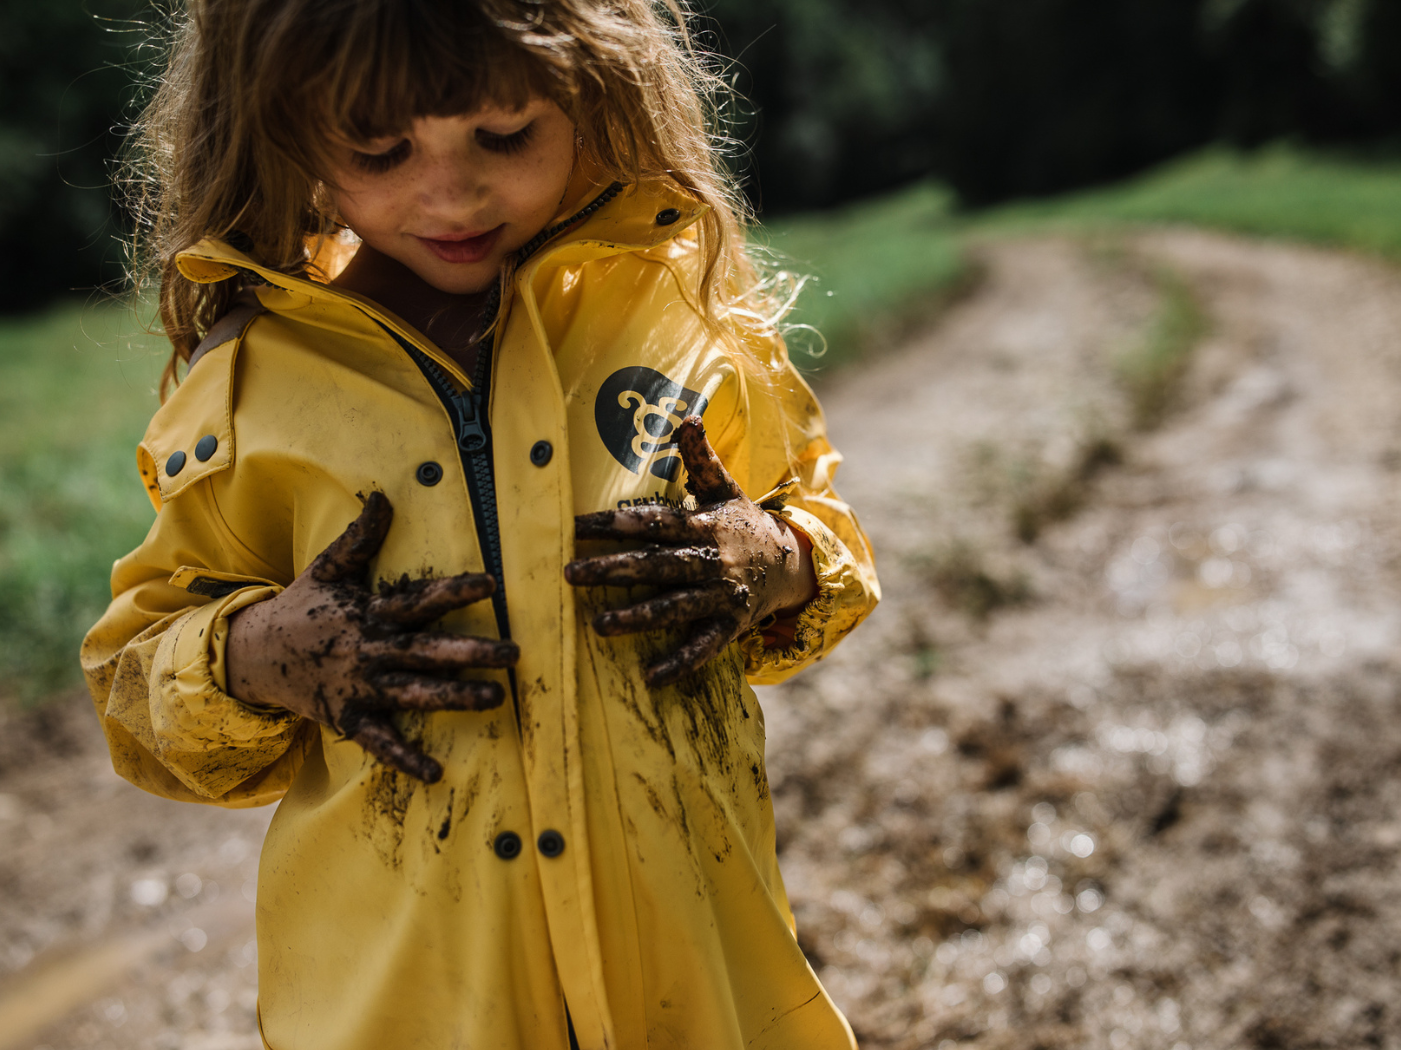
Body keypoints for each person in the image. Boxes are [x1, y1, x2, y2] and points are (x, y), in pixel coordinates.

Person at [82, 1, 879, 1047]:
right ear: (289, 135)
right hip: (410, 1008)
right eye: (381, 150)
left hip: (691, 986)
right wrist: (259, 655)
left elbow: (827, 541)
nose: (450, 191)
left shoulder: (674, 319)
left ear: (598, 91)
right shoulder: (249, 391)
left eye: (503, 136)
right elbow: (134, 681)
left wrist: (769, 558)